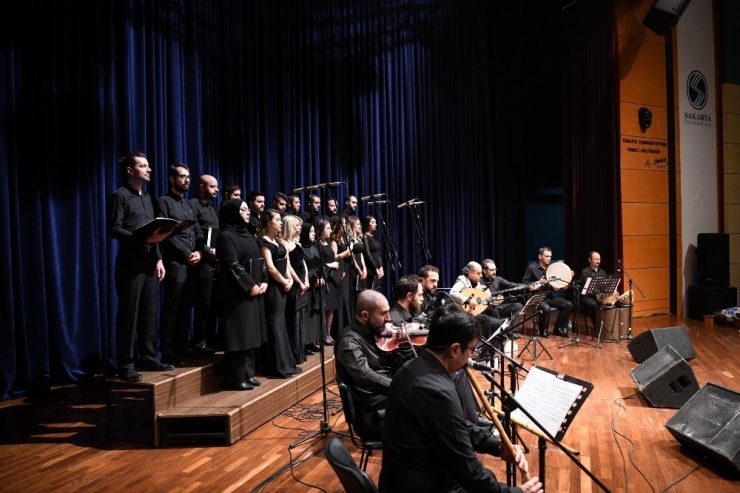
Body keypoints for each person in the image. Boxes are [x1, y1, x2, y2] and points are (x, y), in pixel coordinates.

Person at [379, 304, 542, 493]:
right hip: (421, 485)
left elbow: (457, 425)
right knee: (487, 479)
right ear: (454, 350)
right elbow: (468, 472)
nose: (472, 356)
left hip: (405, 478)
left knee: (488, 476)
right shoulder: (436, 390)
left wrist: (496, 447)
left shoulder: (412, 367)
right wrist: (517, 492)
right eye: (472, 349)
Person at [107, 151, 174, 381]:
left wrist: (158, 258)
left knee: (149, 311)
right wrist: (141, 240)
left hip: (148, 260)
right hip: (130, 261)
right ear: (130, 171)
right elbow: (114, 229)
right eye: (143, 166)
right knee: (129, 313)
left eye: (148, 165)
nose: (149, 169)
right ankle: (126, 363)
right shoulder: (120, 196)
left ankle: (148, 357)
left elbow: (153, 233)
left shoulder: (146, 197)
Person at [216, 199, 267, 390]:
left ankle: (248, 373)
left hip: (253, 290)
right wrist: (249, 285)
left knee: (251, 334)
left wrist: (263, 281)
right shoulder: (226, 236)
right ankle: (234, 377)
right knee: (239, 335)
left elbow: (259, 259)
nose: (247, 213)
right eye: (243, 210)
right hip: (237, 293)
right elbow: (231, 263)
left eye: (247, 209)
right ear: (233, 213)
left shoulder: (247, 233)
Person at [156, 163, 203, 367]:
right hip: (176, 261)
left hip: (193, 262)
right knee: (172, 307)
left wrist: (200, 252)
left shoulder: (189, 204)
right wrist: (186, 254)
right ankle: (167, 351)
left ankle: (183, 345)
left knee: (186, 308)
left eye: (188, 176)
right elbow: (165, 235)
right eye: (182, 176)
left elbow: (198, 233)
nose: (186, 180)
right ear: (171, 178)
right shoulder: (163, 202)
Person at [335, 290, 396, 441]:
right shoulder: (349, 342)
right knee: (431, 421)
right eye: (384, 314)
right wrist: (399, 386)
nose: (389, 319)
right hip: (373, 417)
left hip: (388, 404)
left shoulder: (374, 332)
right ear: (365, 316)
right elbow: (365, 376)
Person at [258, 209, 302, 378]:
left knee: (280, 323)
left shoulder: (276, 241)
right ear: (269, 222)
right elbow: (270, 267)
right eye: (277, 220)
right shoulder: (264, 242)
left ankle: (285, 362)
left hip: (283, 286)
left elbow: (285, 264)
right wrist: (285, 282)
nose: (281, 223)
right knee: (274, 324)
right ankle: (275, 366)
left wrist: (289, 280)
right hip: (273, 289)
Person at [189, 174, 220, 354]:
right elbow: (194, 233)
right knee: (204, 304)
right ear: (201, 187)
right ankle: (199, 340)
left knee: (213, 304)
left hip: (215, 261)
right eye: (212, 186)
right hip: (203, 262)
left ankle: (209, 337)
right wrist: (207, 251)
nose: (216, 190)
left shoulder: (212, 208)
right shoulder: (194, 205)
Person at [521, 247, 573, 338]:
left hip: (548, 297)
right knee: (546, 308)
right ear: (540, 256)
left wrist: (555, 287)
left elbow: (552, 284)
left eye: (550, 256)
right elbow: (524, 284)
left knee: (568, 305)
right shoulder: (531, 268)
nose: (549, 258)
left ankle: (558, 329)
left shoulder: (551, 269)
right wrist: (537, 282)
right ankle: (542, 331)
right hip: (536, 298)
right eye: (547, 256)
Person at [279, 214, 309, 364]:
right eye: (297, 225)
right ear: (290, 226)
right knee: (293, 319)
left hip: (303, 283)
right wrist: (299, 282)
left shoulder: (296, 242)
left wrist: (307, 279)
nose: (299, 228)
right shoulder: (283, 243)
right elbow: (288, 266)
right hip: (294, 284)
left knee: (301, 319)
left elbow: (303, 263)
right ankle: (293, 353)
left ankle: (300, 352)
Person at [450, 261, 507, 339]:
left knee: (498, 323)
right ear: (470, 273)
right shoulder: (462, 280)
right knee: (484, 318)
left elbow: (482, 302)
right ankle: (481, 346)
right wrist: (469, 301)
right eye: (478, 273)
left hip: (473, 313)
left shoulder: (478, 285)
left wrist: (494, 301)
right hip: (462, 315)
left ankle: (491, 346)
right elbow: (453, 292)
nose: (481, 276)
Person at [480, 259, 526, 334]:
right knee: (492, 306)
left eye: (495, 269)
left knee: (518, 306)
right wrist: (493, 300)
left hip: (500, 307)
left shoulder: (498, 279)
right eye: (491, 270)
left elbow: (512, 285)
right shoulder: (480, 282)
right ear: (484, 271)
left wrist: (528, 286)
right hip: (487, 309)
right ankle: (499, 332)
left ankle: (511, 332)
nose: (494, 272)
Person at [299, 222, 324, 355]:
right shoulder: (301, 248)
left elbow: (319, 265)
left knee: (315, 317)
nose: (314, 234)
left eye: (314, 231)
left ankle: (312, 341)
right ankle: (305, 343)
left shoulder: (314, 248)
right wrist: (314, 279)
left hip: (317, 285)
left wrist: (322, 277)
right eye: (311, 231)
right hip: (308, 285)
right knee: (307, 316)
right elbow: (303, 269)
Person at [329, 216, 354, 341]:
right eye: (342, 223)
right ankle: (339, 330)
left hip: (345, 270)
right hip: (338, 272)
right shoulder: (334, 240)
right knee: (341, 300)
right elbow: (334, 257)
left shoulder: (343, 239)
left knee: (346, 299)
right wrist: (348, 251)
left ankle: (347, 327)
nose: (345, 225)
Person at [317, 218, 340, 345]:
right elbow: (316, 263)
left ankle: (329, 333)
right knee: (325, 309)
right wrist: (329, 265)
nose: (330, 231)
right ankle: (323, 335)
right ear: (321, 229)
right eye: (328, 228)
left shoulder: (327, 243)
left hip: (332, 279)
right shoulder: (317, 245)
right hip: (324, 279)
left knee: (331, 309)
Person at [579, 251, 606, 326]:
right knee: (594, 306)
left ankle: (607, 326)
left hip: (599, 295)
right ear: (590, 260)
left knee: (611, 304)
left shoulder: (602, 272)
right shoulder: (585, 272)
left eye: (599, 259)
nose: (598, 261)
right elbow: (589, 287)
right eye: (596, 259)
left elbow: (605, 286)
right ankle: (597, 327)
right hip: (588, 296)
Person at [361, 215, 384, 289]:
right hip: (371, 268)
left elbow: (378, 254)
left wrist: (381, 267)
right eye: (373, 222)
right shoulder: (365, 236)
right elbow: (367, 254)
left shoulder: (374, 236)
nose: (375, 224)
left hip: (377, 268)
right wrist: (375, 268)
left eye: (375, 222)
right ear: (367, 223)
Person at [346, 215, 367, 293]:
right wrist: (358, 269)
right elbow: (351, 256)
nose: (360, 226)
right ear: (352, 225)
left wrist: (364, 268)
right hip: (353, 268)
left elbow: (361, 254)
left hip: (361, 267)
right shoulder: (349, 238)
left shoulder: (358, 238)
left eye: (360, 224)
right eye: (357, 224)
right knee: (356, 292)